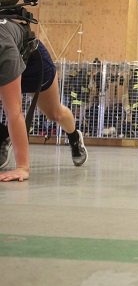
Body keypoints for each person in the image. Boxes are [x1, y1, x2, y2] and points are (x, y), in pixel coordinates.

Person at [0, 30, 88, 181]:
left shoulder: (3, 47)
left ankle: (74, 137)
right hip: (10, 56)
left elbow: (14, 112)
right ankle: (4, 135)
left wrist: (22, 167)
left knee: (54, 113)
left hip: (32, 65)